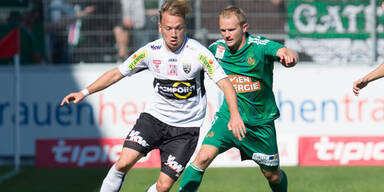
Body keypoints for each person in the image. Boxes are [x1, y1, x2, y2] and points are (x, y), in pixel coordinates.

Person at [60, 1, 245, 192]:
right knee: (123, 162)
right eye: (168, 28)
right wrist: (84, 92)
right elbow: (117, 72)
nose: (173, 34)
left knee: (164, 186)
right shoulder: (151, 51)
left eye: (178, 28)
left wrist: (235, 113)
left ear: (185, 27)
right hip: (154, 120)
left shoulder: (199, 54)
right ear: (160, 27)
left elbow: (225, 84)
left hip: (185, 130)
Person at [178, 6, 298, 192]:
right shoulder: (216, 49)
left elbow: (287, 51)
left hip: (260, 124)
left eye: (231, 30)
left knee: (272, 176)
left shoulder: (260, 46)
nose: (226, 35)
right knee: (202, 158)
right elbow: (192, 61)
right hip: (228, 119)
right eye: (223, 30)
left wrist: (288, 57)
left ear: (244, 27)